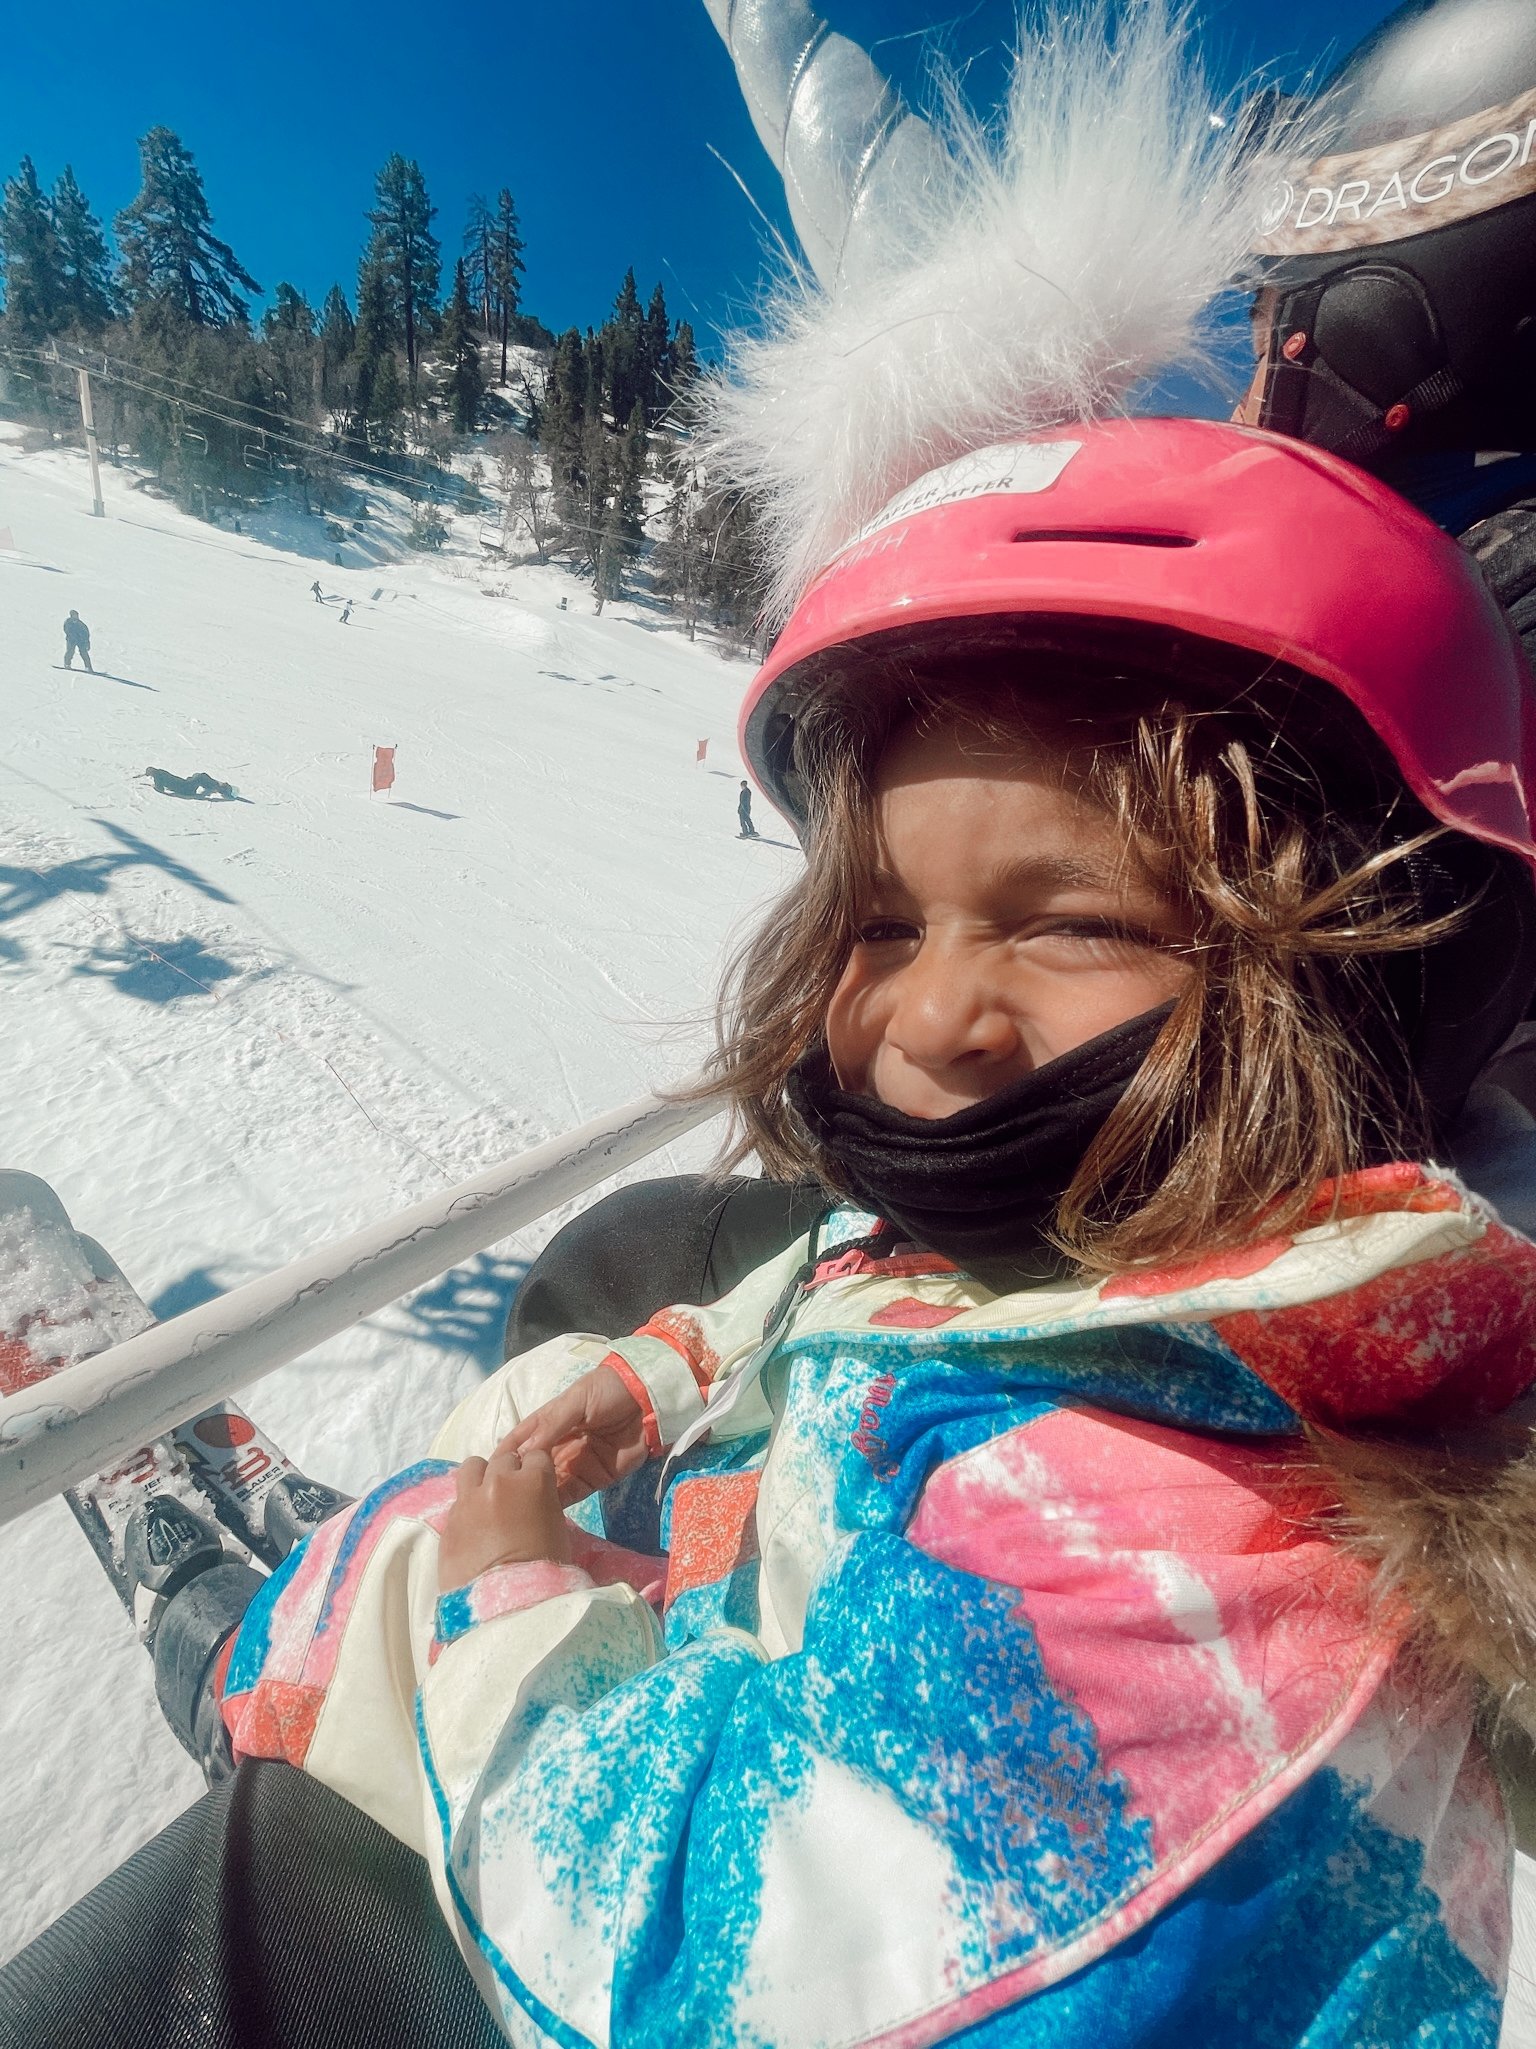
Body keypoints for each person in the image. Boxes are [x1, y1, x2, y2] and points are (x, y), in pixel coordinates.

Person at [142, 766, 235, 800]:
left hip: (184, 785)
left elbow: (162, 786)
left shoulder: (158, 774)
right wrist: (154, 786)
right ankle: (220, 788)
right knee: (201, 776)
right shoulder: (159, 774)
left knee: (197, 776)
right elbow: (160, 788)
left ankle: (212, 786)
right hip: (185, 789)